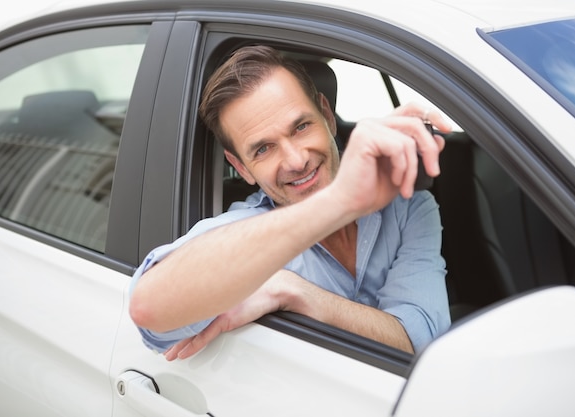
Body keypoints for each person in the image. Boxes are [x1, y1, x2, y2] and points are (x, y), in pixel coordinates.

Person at [129, 45, 451, 360]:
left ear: (327, 115)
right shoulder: (246, 238)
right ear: (241, 167)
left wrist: (297, 292)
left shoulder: (408, 207)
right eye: (263, 149)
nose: (296, 160)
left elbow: (421, 342)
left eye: (301, 127)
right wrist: (336, 203)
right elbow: (149, 308)